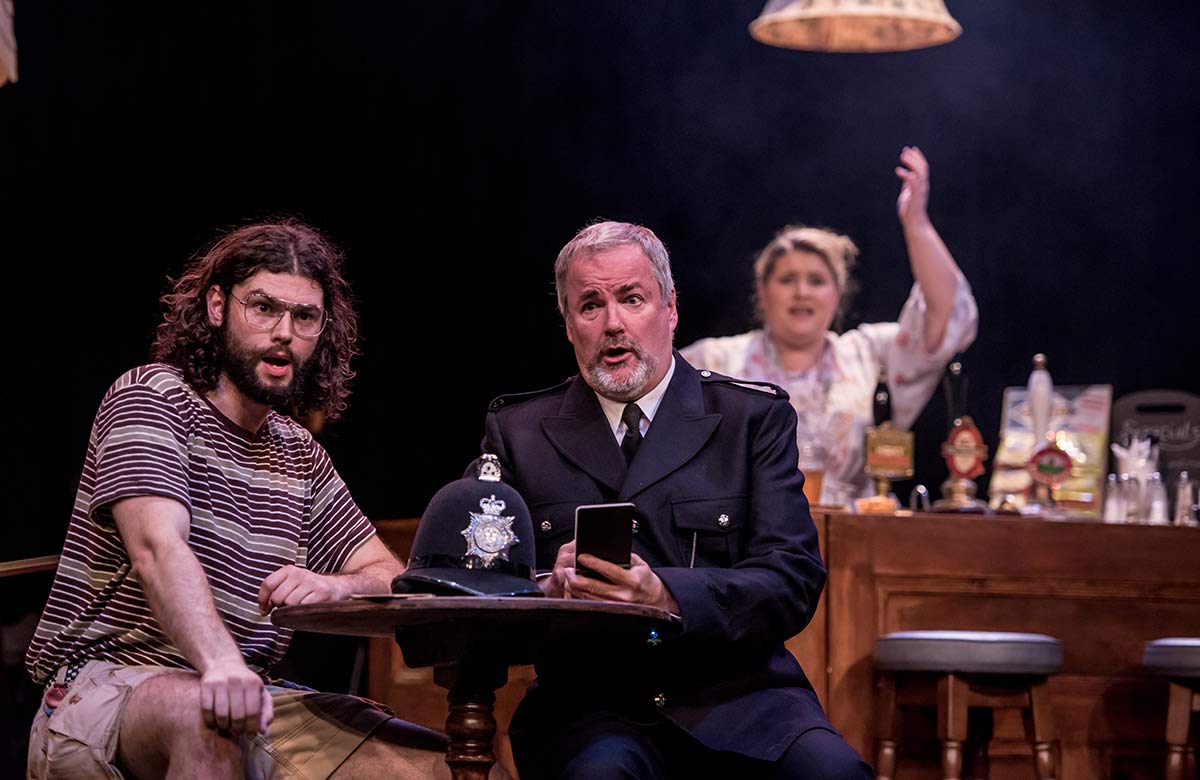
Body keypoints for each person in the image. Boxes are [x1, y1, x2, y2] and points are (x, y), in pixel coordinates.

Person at [24, 219, 455, 779]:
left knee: (450, 765)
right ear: (216, 307)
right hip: (100, 687)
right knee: (214, 718)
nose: (284, 332)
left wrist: (338, 583)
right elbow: (158, 547)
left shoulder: (298, 453)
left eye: (304, 317)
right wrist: (222, 664)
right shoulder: (153, 398)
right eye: (263, 308)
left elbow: (385, 571)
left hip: (249, 693)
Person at [479, 220, 874, 779]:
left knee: (834, 775)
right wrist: (549, 590)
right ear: (568, 326)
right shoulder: (519, 431)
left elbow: (792, 581)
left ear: (671, 309)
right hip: (591, 709)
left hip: (744, 702)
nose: (613, 323)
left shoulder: (751, 419)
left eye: (632, 298)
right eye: (590, 306)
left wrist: (667, 594)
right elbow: (485, 596)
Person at [680, 146, 978, 506]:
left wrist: (916, 223)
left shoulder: (869, 354)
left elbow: (942, 314)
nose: (802, 292)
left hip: (854, 537)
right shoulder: (717, 361)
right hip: (742, 544)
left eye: (817, 280)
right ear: (763, 292)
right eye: (787, 279)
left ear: (837, 293)